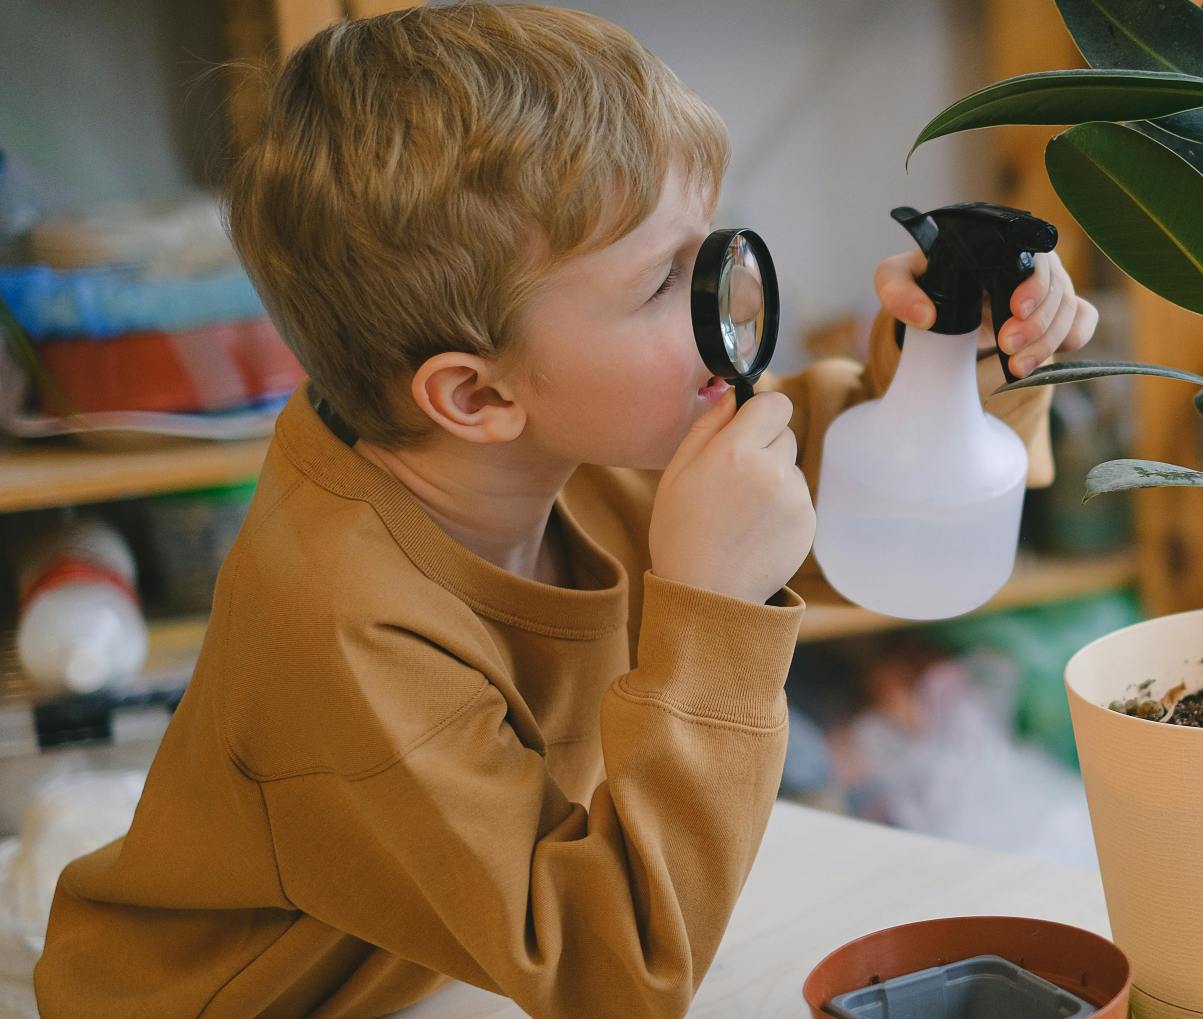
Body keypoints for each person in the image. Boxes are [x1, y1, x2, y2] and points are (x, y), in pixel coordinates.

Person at [33, 5, 1096, 1017]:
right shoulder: (342, 626)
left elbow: (860, 497)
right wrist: (710, 612)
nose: (726, 304)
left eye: (708, 248)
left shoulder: (550, 433)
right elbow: (613, 977)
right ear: (477, 393)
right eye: (659, 284)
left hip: (430, 963)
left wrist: (963, 354)